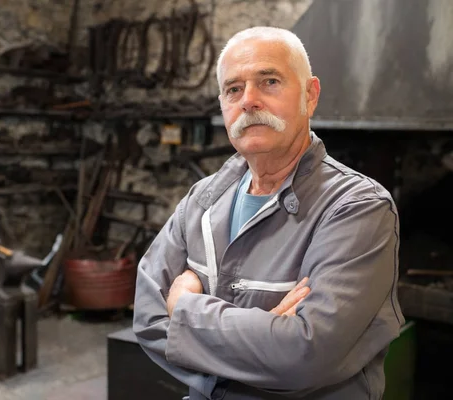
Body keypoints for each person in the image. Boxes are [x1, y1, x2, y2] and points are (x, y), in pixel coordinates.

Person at [132, 26, 404, 400]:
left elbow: (304, 355)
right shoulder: (202, 200)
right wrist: (265, 339)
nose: (249, 101)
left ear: (310, 96)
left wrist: (186, 308)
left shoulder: (357, 207)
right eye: (233, 89)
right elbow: (147, 321)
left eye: (269, 81)